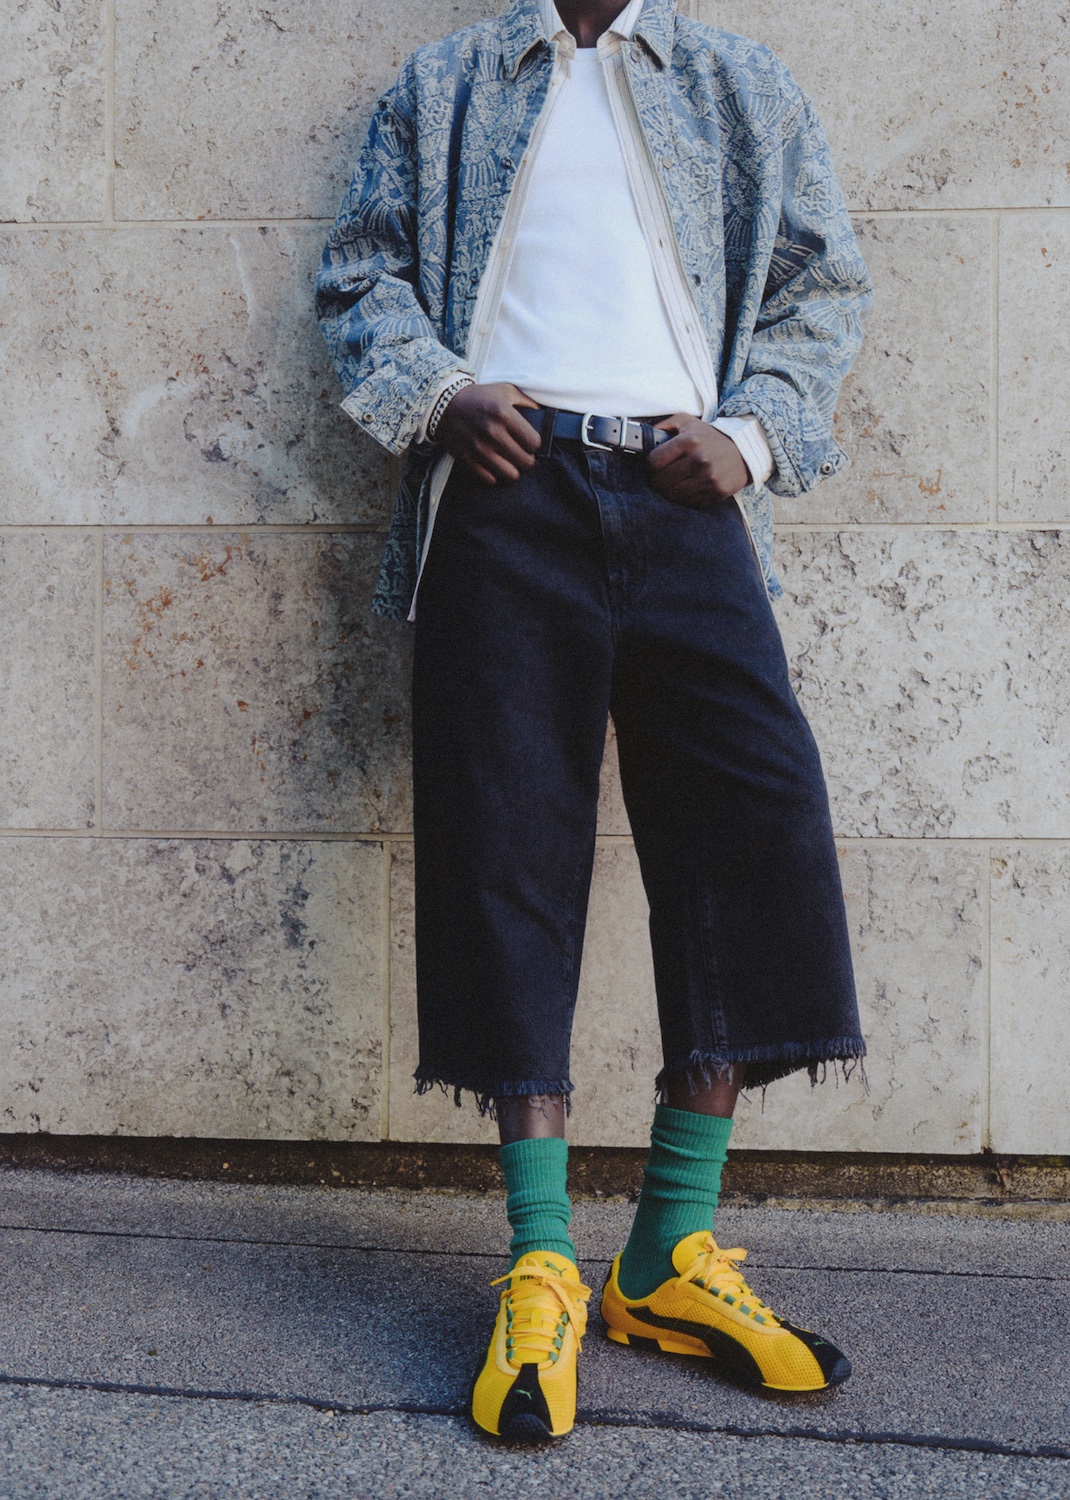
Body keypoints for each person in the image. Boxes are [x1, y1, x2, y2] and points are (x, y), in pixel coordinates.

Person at [317, 0, 871, 1443]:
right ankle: (544, 1261)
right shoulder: (447, 84)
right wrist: (442, 397)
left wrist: (750, 436)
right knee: (509, 849)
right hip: (506, 502)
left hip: (689, 497)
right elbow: (360, 272)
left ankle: (671, 1249)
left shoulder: (734, 82)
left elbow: (821, 282)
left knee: (757, 828)